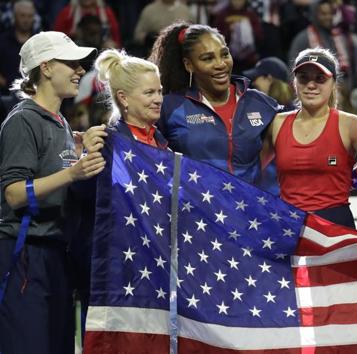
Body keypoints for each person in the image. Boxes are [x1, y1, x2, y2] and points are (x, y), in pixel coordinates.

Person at [0, 31, 105, 354]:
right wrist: (72, 172)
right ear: (45, 68)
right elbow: (14, 194)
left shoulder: (59, 121)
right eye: (70, 63)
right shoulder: (23, 120)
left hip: (56, 254)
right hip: (25, 254)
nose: (79, 71)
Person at [69, 48, 167, 339]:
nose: (159, 99)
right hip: (113, 269)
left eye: (160, 91)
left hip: (152, 266)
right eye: (149, 92)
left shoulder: (162, 143)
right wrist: (85, 159)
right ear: (124, 98)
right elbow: (84, 196)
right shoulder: (106, 142)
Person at [149, 22, 282, 194]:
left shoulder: (261, 104)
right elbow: (136, 143)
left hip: (248, 214)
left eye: (224, 54)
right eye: (208, 58)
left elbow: (299, 135)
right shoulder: (169, 107)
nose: (220, 64)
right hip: (196, 215)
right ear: (189, 65)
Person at [262, 48, 357, 228]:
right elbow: (249, 171)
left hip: (335, 226)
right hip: (289, 225)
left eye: (320, 79)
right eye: (303, 78)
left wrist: (353, 180)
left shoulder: (350, 124)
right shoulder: (277, 123)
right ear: (294, 83)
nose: (311, 85)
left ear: (333, 83)